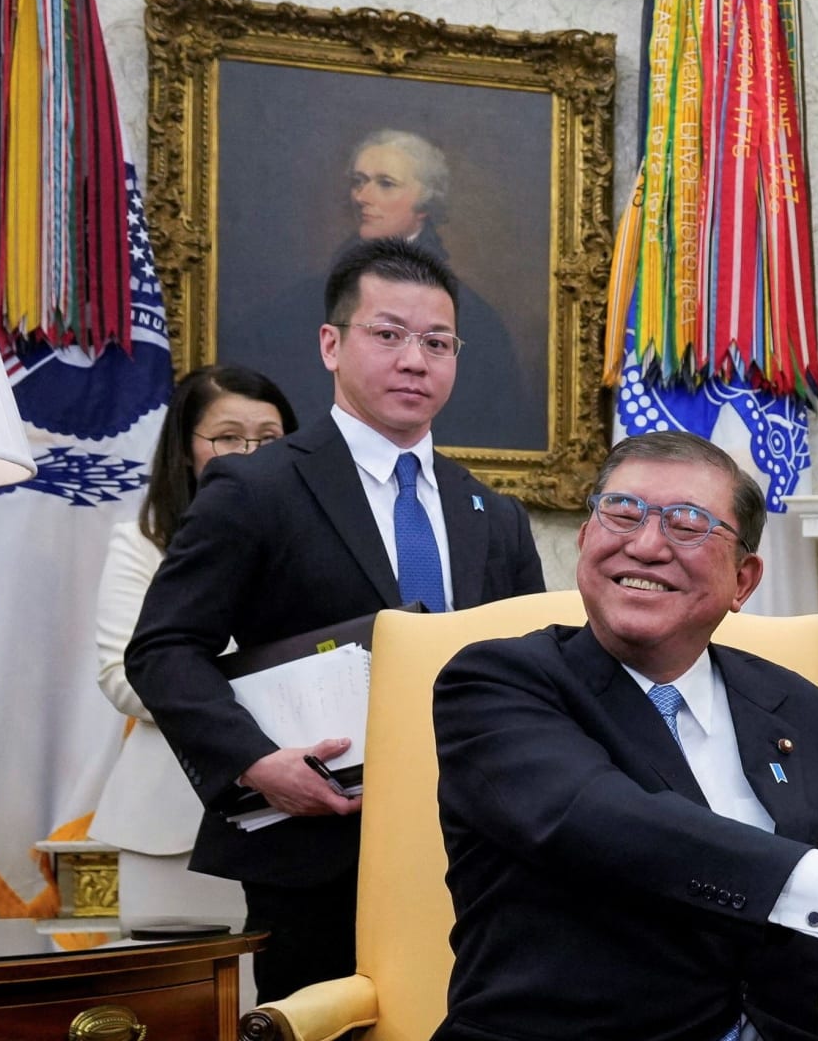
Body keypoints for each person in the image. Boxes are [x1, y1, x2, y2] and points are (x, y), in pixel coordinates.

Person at [430, 431, 818, 1041]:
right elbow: (611, 824)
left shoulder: (803, 712)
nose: (646, 544)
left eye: (687, 524)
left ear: (744, 579)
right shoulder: (497, 684)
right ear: (585, 539)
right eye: (622, 513)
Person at [127, 238, 547, 1004]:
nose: (415, 360)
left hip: (476, 853)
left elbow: (531, 671)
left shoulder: (494, 514)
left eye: (437, 342)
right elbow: (162, 649)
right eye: (388, 335)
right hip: (319, 849)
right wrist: (254, 763)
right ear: (332, 343)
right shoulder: (255, 490)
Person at [93, 364, 297, 938]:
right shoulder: (142, 540)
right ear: (185, 450)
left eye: (268, 438)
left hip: (304, 816)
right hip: (172, 824)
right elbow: (120, 674)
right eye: (228, 437)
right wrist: (253, 692)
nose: (249, 453)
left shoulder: (315, 533)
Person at [227, 129, 543, 452]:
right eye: (359, 181)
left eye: (385, 184)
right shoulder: (301, 301)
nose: (362, 197)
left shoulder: (475, 318)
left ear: (426, 204)